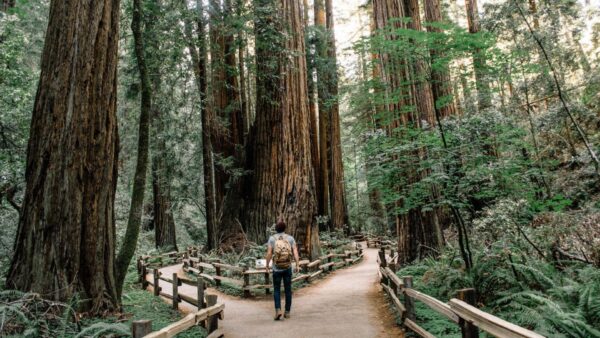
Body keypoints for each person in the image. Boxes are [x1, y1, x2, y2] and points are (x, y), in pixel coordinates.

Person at [265, 220, 300, 321]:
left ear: (276, 229)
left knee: (276, 290)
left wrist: (267, 266)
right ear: (285, 229)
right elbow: (295, 252)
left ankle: (278, 310)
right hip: (287, 268)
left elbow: (269, 253)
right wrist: (297, 265)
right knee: (288, 290)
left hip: (276, 269)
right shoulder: (290, 238)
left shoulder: (272, 239)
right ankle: (287, 312)